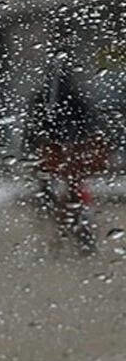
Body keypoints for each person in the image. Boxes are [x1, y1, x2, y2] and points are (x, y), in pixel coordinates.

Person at [24, 65, 106, 253]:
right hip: (71, 153)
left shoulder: (42, 98)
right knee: (73, 187)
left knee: (50, 190)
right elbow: (89, 123)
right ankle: (77, 230)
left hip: (50, 153)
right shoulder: (76, 97)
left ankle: (57, 228)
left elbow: (32, 129)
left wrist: (31, 149)